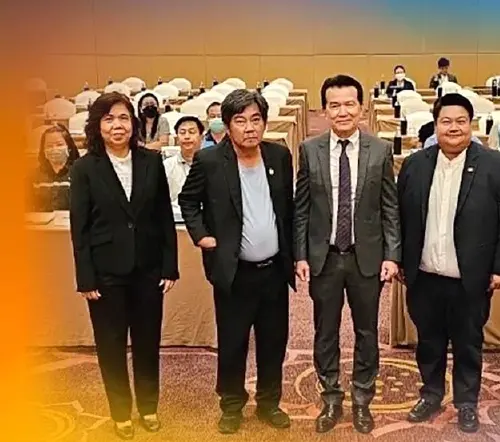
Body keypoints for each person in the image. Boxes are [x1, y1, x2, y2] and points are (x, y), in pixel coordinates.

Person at [397, 93, 500, 434]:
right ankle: (431, 394)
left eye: (460, 121)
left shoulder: (495, 165)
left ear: (472, 124)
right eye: (446, 121)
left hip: (470, 277)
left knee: (468, 343)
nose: (453, 128)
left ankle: (467, 402)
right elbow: (399, 216)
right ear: (435, 125)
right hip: (425, 275)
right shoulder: (415, 164)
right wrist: (400, 260)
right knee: (429, 341)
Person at [178, 90, 295, 435]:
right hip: (234, 272)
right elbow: (188, 201)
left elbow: (287, 208)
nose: (249, 128)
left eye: (256, 120)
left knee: (273, 341)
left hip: (274, 271)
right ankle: (231, 404)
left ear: (265, 123)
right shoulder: (210, 160)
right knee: (232, 343)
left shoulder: (279, 155)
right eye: (240, 121)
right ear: (227, 126)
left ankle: (269, 402)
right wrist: (202, 236)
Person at [294, 74, 401, 435]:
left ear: (362, 108)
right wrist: (300, 255)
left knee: (366, 332)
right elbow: (302, 208)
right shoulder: (310, 149)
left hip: (365, 257)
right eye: (334, 105)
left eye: (349, 104)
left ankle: (362, 399)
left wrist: (392, 254)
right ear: (324, 110)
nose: (342, 112)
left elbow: (390, 206)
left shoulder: (380, 150)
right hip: (324, 257)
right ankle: (330, 397)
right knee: (325, 332)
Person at [69, 92, 178, 440]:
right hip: (106, 274)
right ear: (97, 126)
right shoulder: (85, 168)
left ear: (133, 123)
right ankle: (120, 412)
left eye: (123, 118)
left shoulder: (151, 162)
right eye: (108, 119)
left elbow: (164, 217)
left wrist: (169, 266)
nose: (117, 125)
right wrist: (85, 277)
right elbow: (79, 228)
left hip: (148, 270)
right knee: (111, 346)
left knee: (148, 343)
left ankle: (148, 407)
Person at [163, 116, 203, 205]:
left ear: (201, 137)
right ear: (177, 138)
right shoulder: (167, 165)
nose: (187, 137)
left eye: (191, 132)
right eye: (182, 133)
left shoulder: (211, 164)